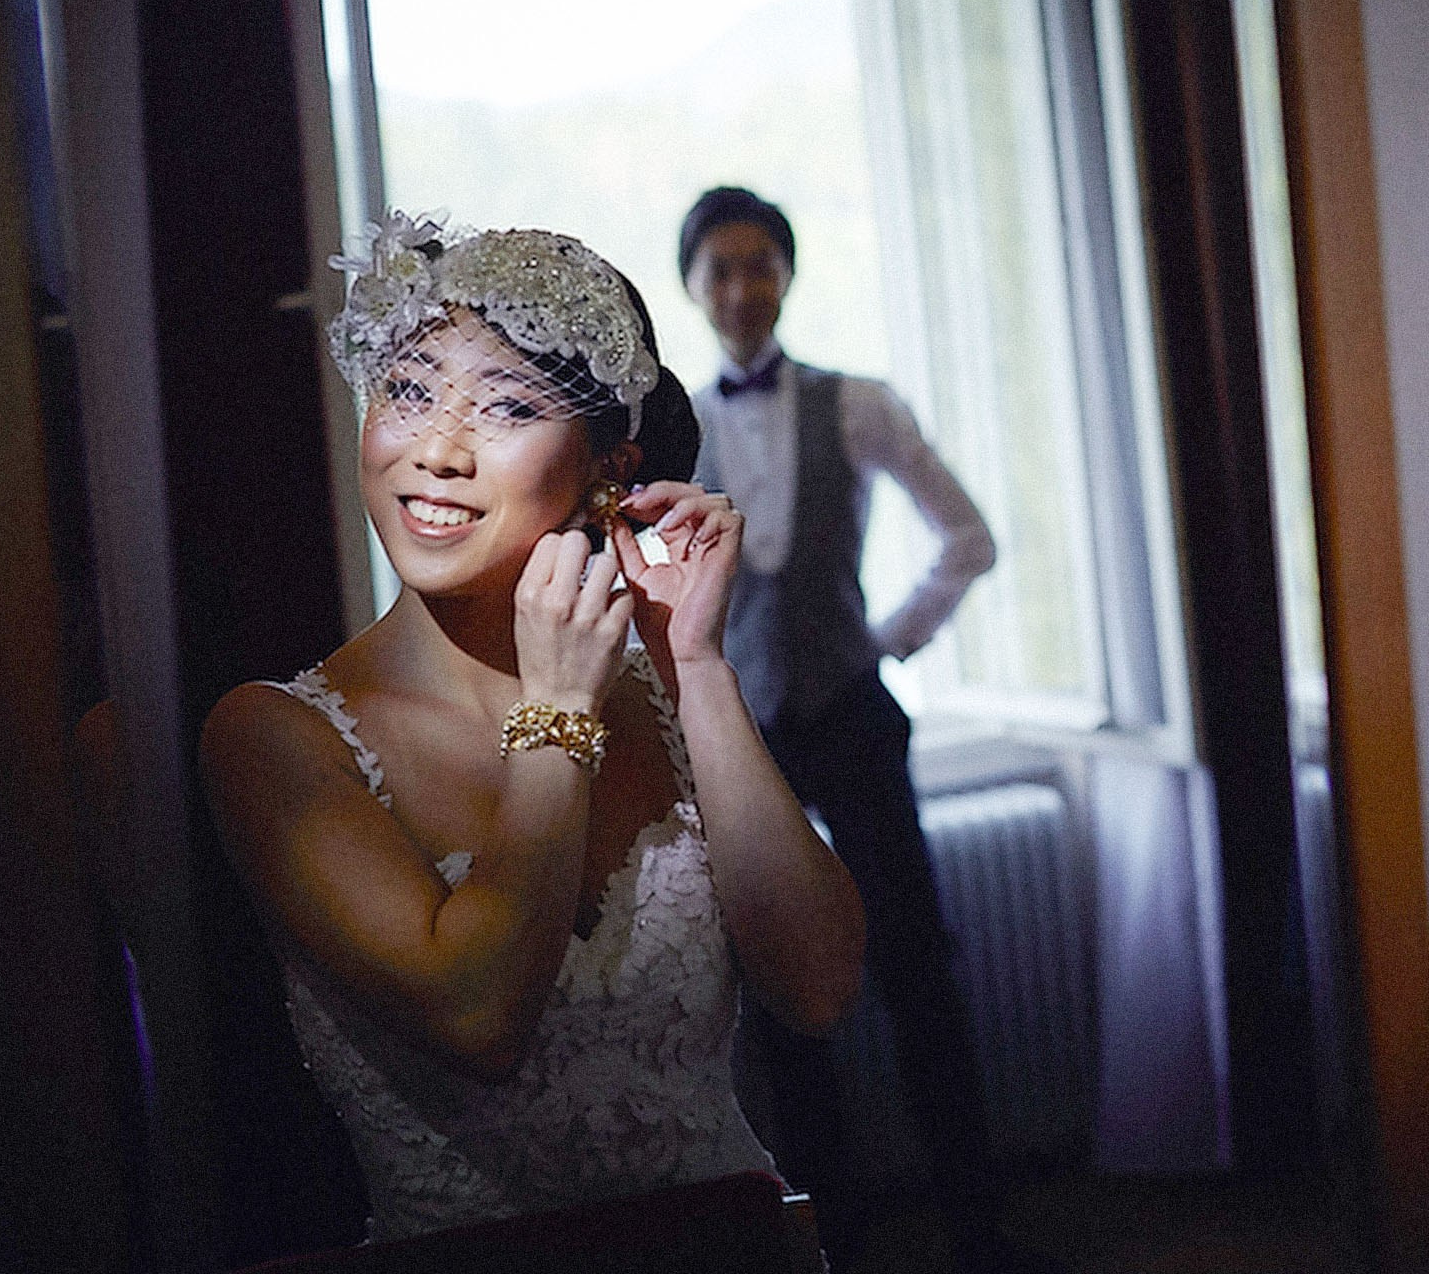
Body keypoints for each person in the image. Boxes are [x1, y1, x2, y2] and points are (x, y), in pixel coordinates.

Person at [200, 212, 865, 1245]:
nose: (437, 450)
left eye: (507, 406)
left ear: (612, 467)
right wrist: (555, 719)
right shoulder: (276, 737)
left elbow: (819, 987)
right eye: (410, 391)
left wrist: (695, 663)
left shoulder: (661, 696)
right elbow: (478, 1016)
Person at [680, 186, 1042, 1274]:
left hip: (853, 718)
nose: (742, 288)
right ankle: (831, 1246)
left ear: (787, 274)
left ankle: (983, 1237)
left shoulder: (861, 405)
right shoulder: (678, 428)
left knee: (920, 973)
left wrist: (884, 641)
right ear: (694, 288)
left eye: (760, 264)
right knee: (789, 1002)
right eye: (719, 270)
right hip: (751, 743)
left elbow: (967, 539)